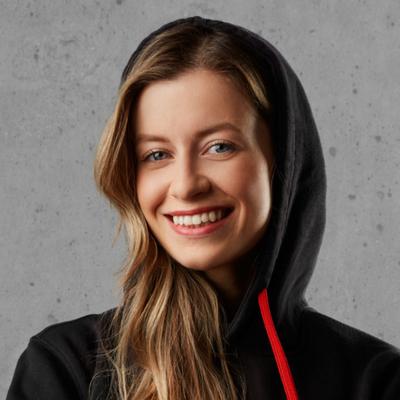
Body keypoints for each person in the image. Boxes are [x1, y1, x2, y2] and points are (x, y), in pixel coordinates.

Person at [6, 15, 400, 400]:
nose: (186, 184)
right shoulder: (68, 369)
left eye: (219, 147)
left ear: (283, 161)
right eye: (157, 154)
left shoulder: (374, 380)